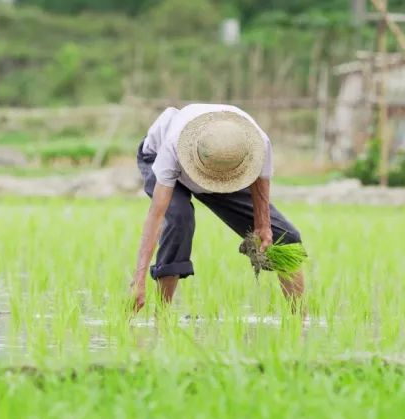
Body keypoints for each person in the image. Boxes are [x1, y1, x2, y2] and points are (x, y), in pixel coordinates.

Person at [130, 104, 305, 312]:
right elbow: (156, 216)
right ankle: (162, 319)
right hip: (158, 158)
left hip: (225, 166)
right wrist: (139, 279)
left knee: (285, 237)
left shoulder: (257, 144)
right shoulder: (173, 147)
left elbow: (261, 182)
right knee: (179, 220)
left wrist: (264, 225)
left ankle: (299, 324)